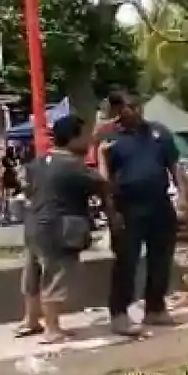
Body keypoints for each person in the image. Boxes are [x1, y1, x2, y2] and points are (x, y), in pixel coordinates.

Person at [16, 115, 115, 344]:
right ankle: (52, 328)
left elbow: (27, 188)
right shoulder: (73, 166)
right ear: (72, 138)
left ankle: (31, 319)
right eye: (84, 136)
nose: (87, 140)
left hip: (34, 224)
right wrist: (101, 154)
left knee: (33, 274)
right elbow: (102, 183)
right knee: (56, 275)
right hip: (60, 227)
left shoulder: (38, 163)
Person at [98, 89, 188, 333]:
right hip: (127, 207)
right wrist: (110, 212)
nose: (135, 111)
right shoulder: (109, 138)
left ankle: (155, 308)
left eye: (137, 106)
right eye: (129, 107)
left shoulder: (158, 133)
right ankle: (119, 312)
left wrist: (184, 197)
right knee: (126, 261)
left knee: (161, 258)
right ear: (119, 111)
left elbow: (175, 166)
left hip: (159, 203)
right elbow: (102, 178)